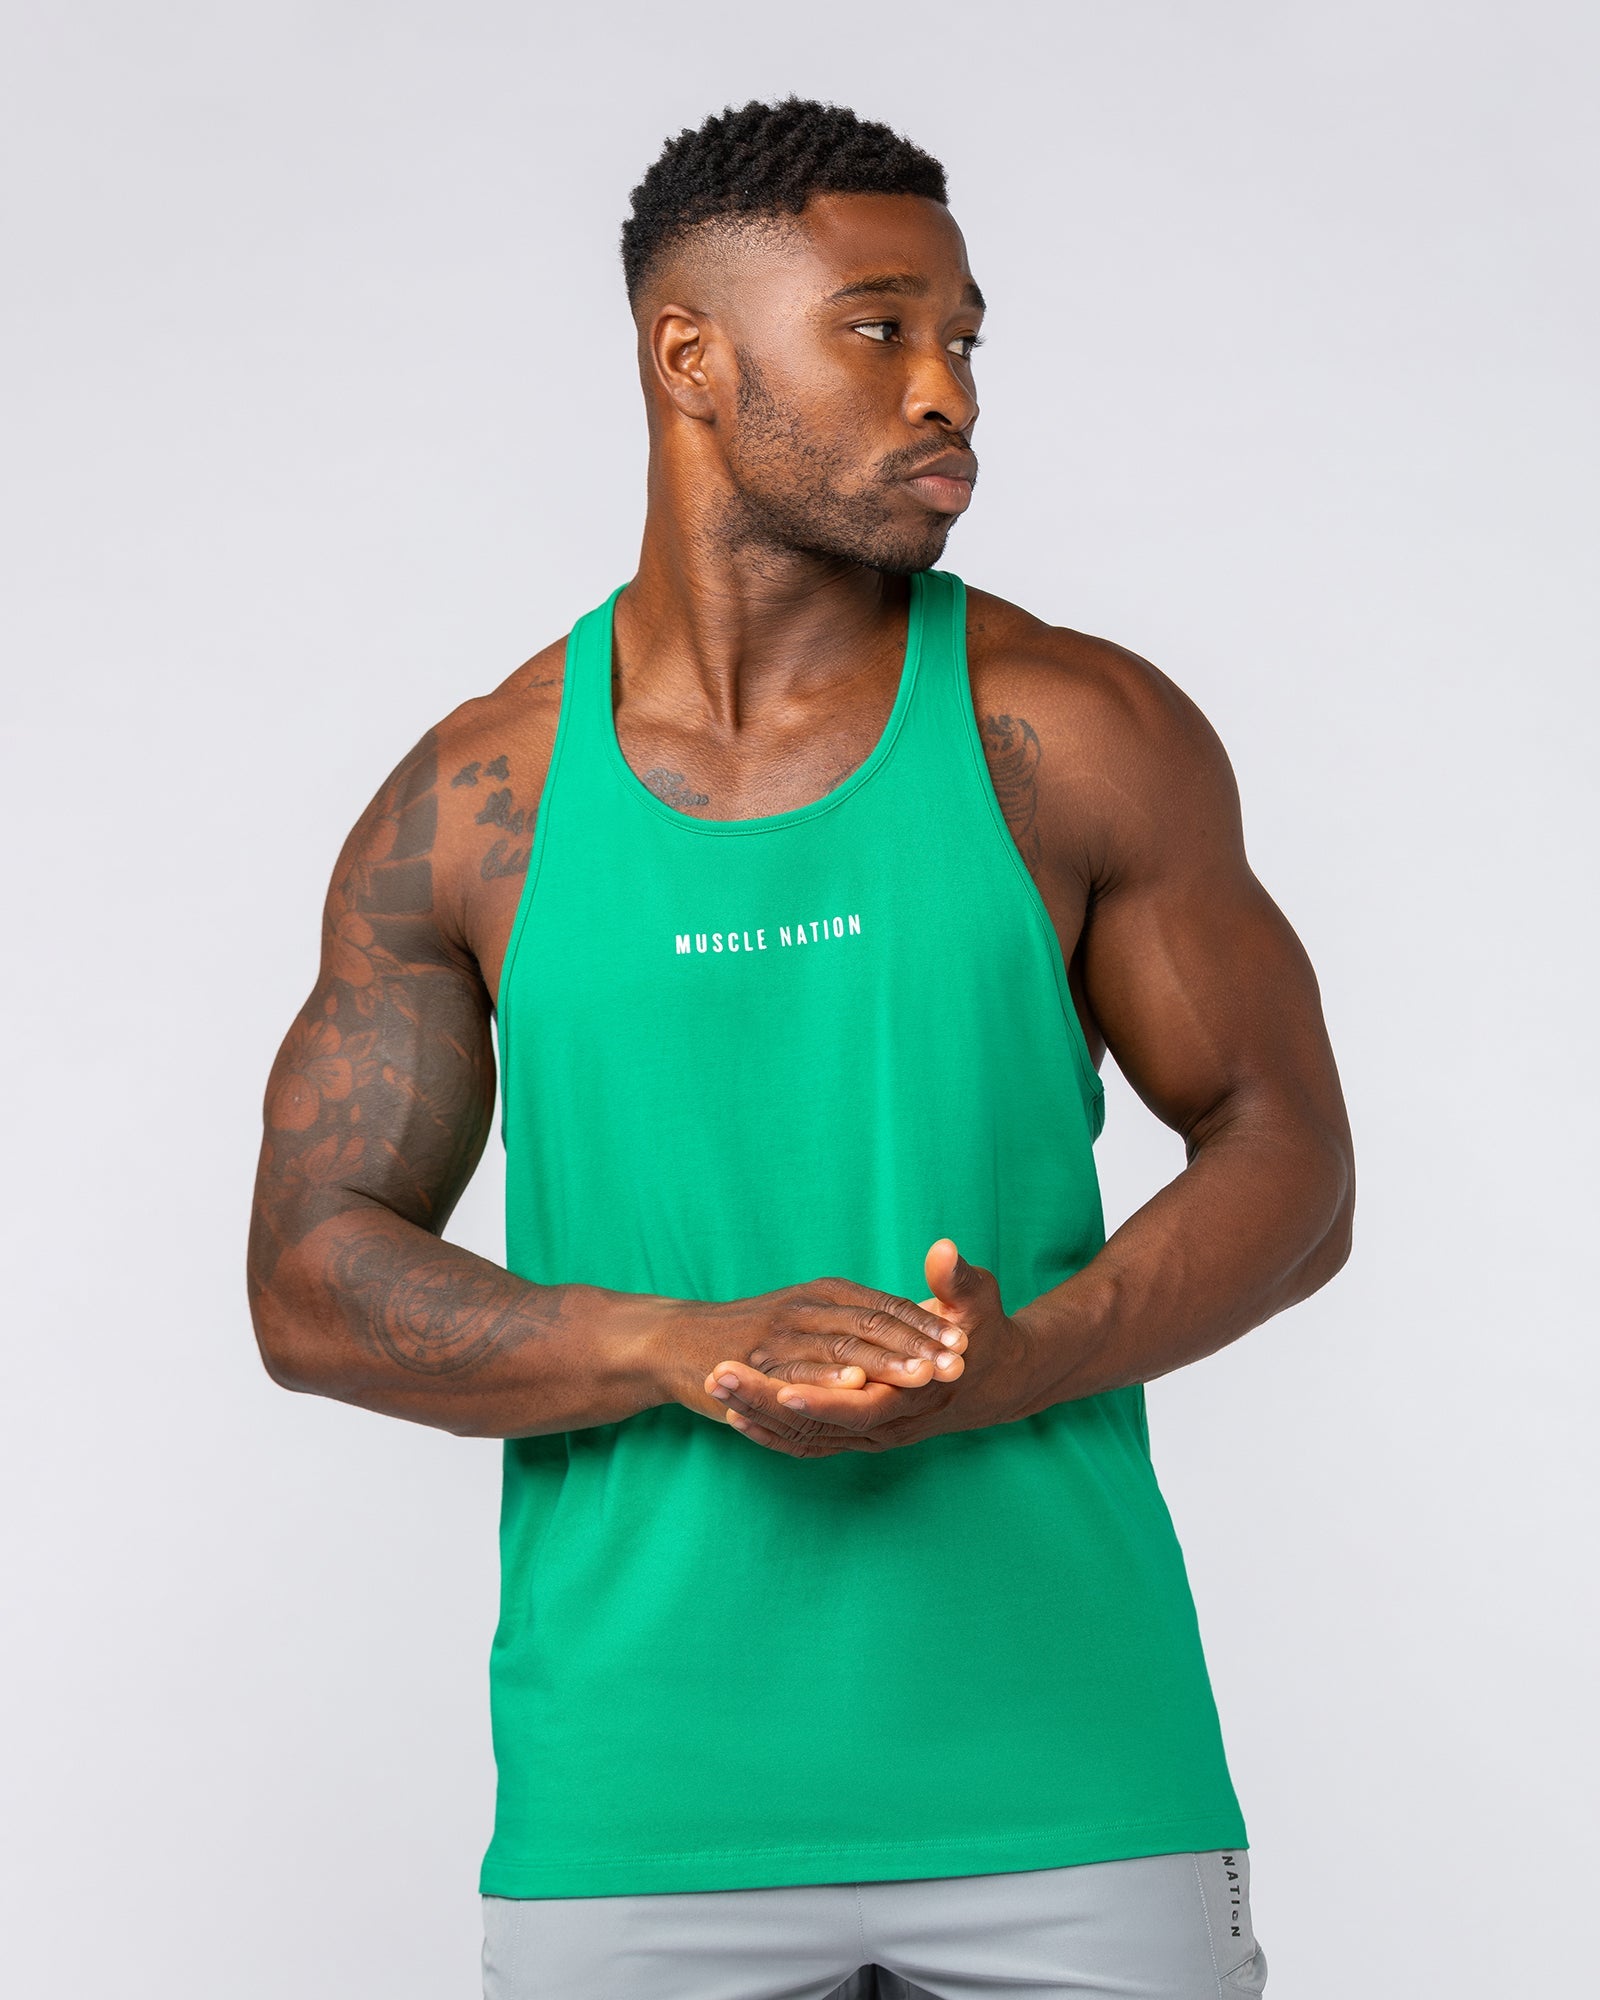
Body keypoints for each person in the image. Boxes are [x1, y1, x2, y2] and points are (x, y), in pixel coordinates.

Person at [247, 96, 1352, 2000]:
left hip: (1074, 1785)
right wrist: (674, 1345)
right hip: (638, 1818)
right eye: (879, 329)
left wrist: (1019, 1364)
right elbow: (308, 1276)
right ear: (690, 356)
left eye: (965, 338)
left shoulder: (1073, 734)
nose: (949, 392)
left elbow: (1293, 1164)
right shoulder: (479, 804)